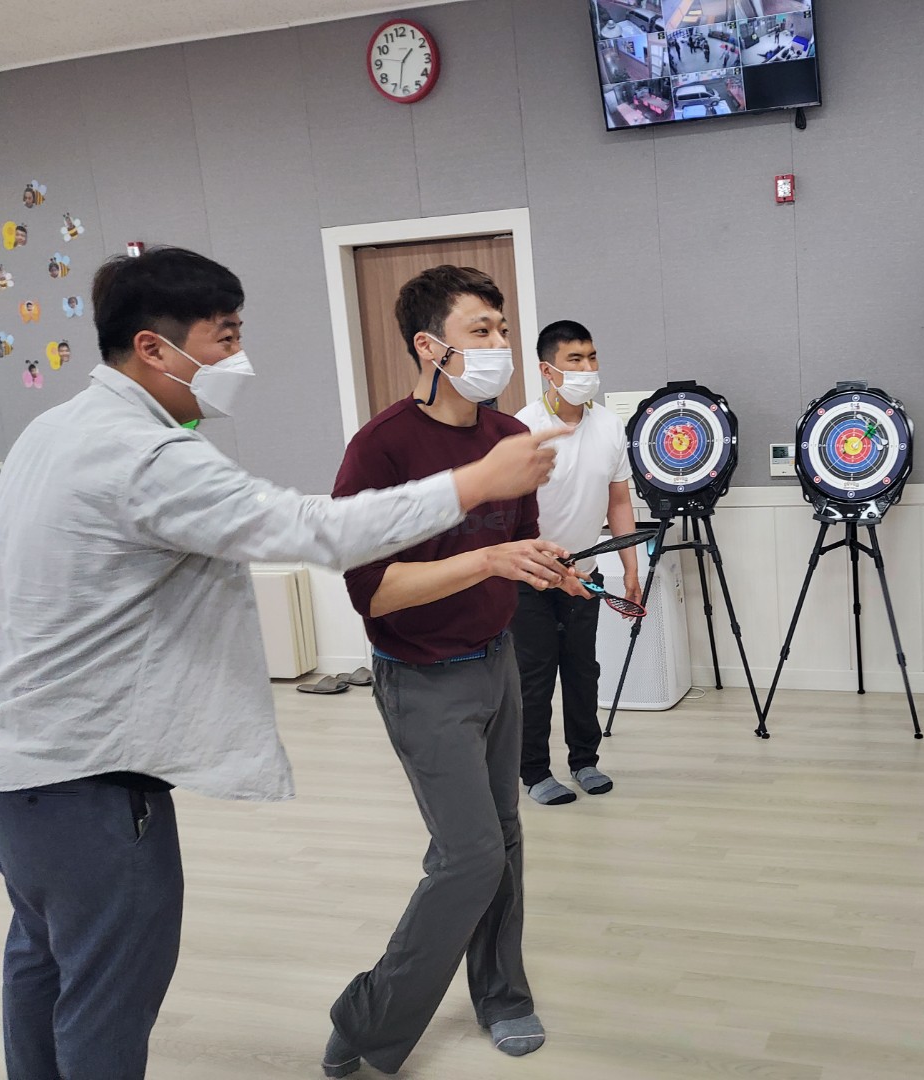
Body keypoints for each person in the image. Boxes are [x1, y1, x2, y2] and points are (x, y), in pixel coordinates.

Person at [0, 246, 565, 1080]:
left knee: (43, 960)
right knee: (103, 992)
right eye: (226, 338)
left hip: (31, 769)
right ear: (153, 347)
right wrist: (473, 485)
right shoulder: (148, 455)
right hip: (91, 779)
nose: (241, 359)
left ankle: (499, 992)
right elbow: (317, 532)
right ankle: (369, 1020)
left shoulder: (53, 430)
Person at [323, 266, 590, 1077]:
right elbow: (374, 592)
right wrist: (488, 562)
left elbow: (515, 538)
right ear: (429, 346)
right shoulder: (380, 449)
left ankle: (502, 994)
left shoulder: (509, 436)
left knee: (503, 838)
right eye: (481, 331)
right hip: (422, 678)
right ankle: (369, 1015)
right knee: (469, 855)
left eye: (503, 329)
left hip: (497, 661)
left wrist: (544, 565)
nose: (500, 344)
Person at [512, 321, 641, 806]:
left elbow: (619, 501)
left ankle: (585, 761)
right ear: (547, 370)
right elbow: (511, 516)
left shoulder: (609, 425)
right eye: (575, 360)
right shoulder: (523, 428)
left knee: (583, 672)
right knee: (535, 677)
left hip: (586, 571)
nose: (588, 368)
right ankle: (533, 772)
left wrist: (631, 567)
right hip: (531, 574)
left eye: (592, 357)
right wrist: (553, 570)